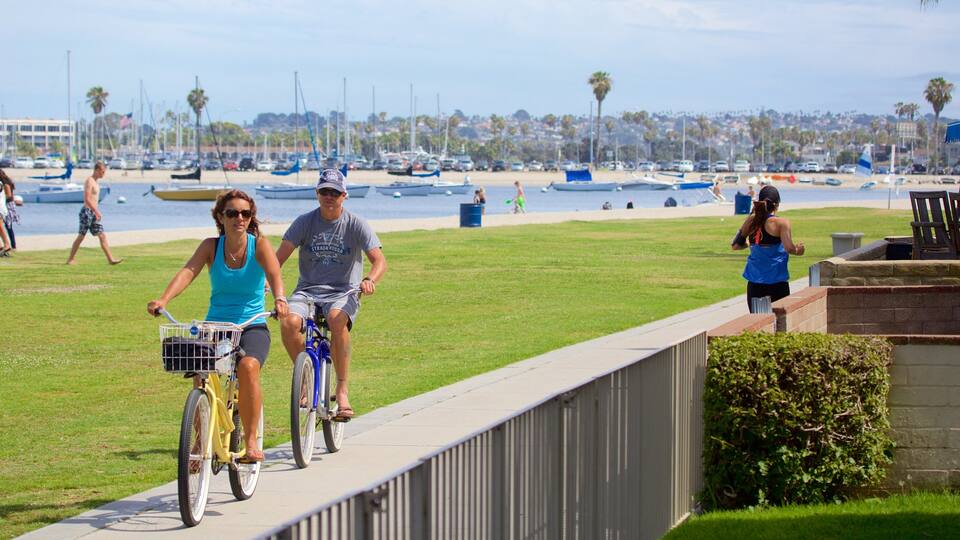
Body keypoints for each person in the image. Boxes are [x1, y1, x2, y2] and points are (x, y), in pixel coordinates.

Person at [148, 190, 288, 462]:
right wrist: (163, 299)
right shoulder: (211, 247)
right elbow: (188, 271)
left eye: (245, 213)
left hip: (252, 324)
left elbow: (274, 273)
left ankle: (250, 441)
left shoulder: (258, 245)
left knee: (248, 367)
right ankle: (200, 442)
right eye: (232, 213)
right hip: (216, 324)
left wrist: (280, 298)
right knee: (200, 371)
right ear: (220, 217)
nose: (239, 218)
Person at [276, 168, 387, 421]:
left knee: (337, 319)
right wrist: (270, 284)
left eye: (334, 192)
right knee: (289, 322)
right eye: (325, 191)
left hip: (343, 291)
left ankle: (342, 388)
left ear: (344, 196)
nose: (329, 196)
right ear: (317, 193)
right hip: (307, 291)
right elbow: (278, 258)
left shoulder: (356, 224)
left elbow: (379, 261)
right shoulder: (304, 222)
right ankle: (305, 376)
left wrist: (370, 279)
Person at [731, 185, 804, 312]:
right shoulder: (781, 223)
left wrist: (750, 244)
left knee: (758, 323)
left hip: (755, 283)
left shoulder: (751, 221)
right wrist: (799, 250)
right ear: (777, 205)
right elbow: (789, 248)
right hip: (777, 282)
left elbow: (736, 245)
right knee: (780, 324)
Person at [66, 161, 123, 265]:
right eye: (102, 172)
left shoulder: (96, 183)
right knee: (81, 236)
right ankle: (70, 259)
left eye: (104, 172)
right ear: (96, 170)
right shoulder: (89, 181)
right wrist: (96, 211)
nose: (103, 174)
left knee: (102, 235)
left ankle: (111, 260)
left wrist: (95, 212)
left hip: (93, 214)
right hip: (87, 212)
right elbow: (87, 199)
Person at [0, 169, 18, 253]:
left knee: (8, 226)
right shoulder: (4, 184)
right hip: (5, 205)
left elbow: (8, 196)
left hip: (8, 205)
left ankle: (11, 245)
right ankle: (6, 245)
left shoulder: (5, 184)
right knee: (6, 226)